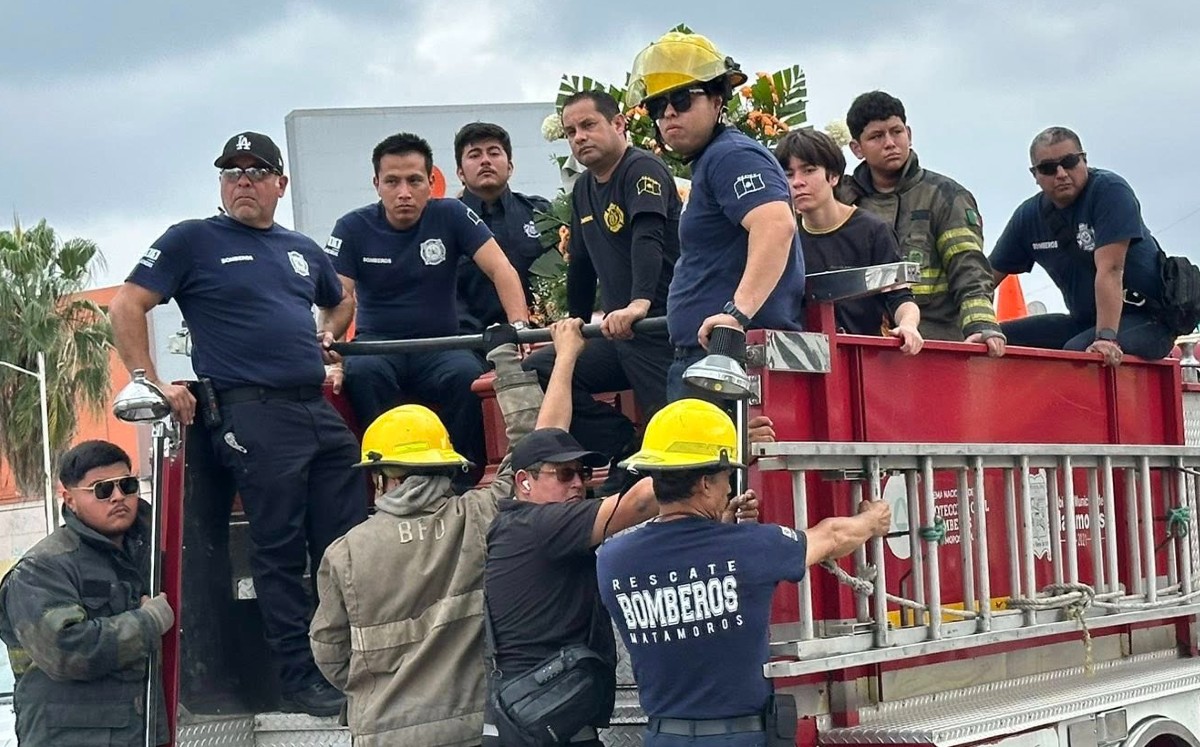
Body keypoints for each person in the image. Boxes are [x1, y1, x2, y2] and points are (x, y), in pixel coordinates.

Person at [109, 131, 360, 716]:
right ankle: (300, 679)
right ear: (221, 183)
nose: (243, 179)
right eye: (231, 171)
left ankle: (349, 663)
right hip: (251, 411)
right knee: (276, 552)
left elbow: (341, 296)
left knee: (344, 546)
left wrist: (328, 329)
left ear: (280, 183)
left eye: (256, 170)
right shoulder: (192, 240)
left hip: (316, 409)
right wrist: (152, 382)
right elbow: (126, 305)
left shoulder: (300, 248)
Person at [596, 400, 892, 746]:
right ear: (705, 482)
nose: (729, 489)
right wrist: (872, 520)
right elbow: (832, 537)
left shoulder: (612, 559)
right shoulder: (751, 547)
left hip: (664, 736)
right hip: (740, 737)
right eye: (725, 477)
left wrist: (722, 527)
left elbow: (682, 571)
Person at [309, 322, 546, 746]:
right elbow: (532, 448)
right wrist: (507, 363)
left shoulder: (345, 553)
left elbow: (329, 649)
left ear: (383, 478)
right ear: (446, 466)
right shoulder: (478, 516)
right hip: (471, 727)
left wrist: (374, 690)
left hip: (382, 732)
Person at [326, 132, 530, 488]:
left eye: (414, 180)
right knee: (364, 375)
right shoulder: (352, 227)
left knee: (467, 375)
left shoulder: (451, 214)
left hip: (441, 346)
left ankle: (463, 484)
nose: (404, 191)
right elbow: (341, 298)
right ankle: (390, 483)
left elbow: (501, 270)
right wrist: (331, 344)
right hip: (378, 347)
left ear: (430, 182)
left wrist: (519, 329)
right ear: (377, 184)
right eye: (392, 181)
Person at [625, 31, 806, 400]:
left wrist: (736, 316)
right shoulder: (715, 160)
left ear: (717, 100)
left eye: (681, 98)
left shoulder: (731, 156)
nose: (669, 112)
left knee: (709, 458)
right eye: (658, 106)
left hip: (727, 358)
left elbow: (775, 225)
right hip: (713, 358)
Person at [523, 90, 681, 493]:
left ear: (619, 124)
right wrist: (572, 324)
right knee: (543, 368)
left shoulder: (643, 168)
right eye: (571, 131)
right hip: (618, 333)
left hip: (661, 330)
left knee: (672, 429)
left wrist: (639, 304)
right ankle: (622, 442)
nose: (579, 137)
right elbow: (581, 262)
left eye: (589, 125)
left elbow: (649, 238)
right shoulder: (582, 190)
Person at [0, 440, 173, 745]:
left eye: (127, 485)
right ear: (69, 499)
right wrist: (148, 622)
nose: (118, 496)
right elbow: (65, 651)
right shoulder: (43, 568)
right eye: (102, 489)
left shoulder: (150, 551)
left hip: (137, 733)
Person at [838, 91, 1005, 356]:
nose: (890, 143)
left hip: (935, 344)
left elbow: (969, 267)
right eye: (876, 136)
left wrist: (981, 324)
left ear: (910, 135)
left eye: (897, 132)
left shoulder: (946, 196)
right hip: (863, 349)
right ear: (856, 148)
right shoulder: (842, 200)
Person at [989, 127, 1174, 366]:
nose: (1061, 173)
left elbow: (1111, 269)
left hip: (1148, 319)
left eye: (1069, 162)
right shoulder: (1029, 216)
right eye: (1048, 168)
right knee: (998, 339)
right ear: (1035, 174)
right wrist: (970, 325)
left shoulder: (1109, 192)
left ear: (1084, 160)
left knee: (1079, 353)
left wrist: (1106, 338)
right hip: (1084, 321)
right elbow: (982, 279)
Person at [776, 129, 923, 353]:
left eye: (808, 170)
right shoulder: (784, 235)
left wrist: (908, 326)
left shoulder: (873, 231)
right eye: (788, 174)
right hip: (803, 359)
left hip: (864, 360)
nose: (797, 182)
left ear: (833, 176)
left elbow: (899, 296)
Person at [455, 122, 552, 333]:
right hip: (467, 345)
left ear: (510, 167)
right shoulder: (445, 223)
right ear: (460, 173)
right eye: (474, 155)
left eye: (494, 153)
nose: (485, 161)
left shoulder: (541, 212)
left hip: (539, 337)